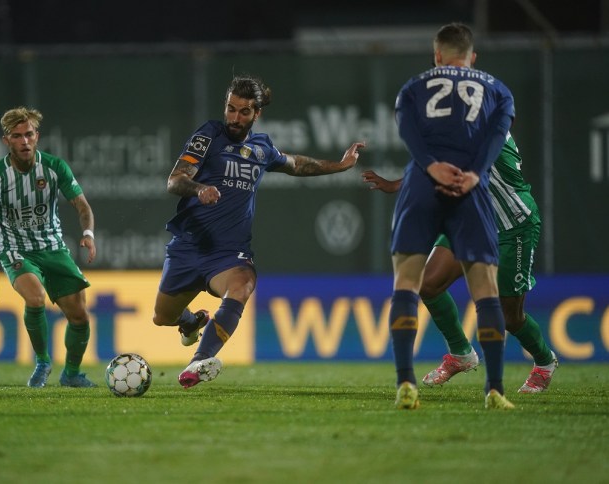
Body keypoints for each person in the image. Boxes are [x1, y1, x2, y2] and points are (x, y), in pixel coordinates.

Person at [152, 75, 365, 389]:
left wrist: (341, 165)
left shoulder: (262, 148)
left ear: (257, 113)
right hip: (189, 246)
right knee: (163, 317)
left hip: (228, 253)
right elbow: (175, 180)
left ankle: (199, 361)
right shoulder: (209, 135)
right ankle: (190, 322)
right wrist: (198, 189)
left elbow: (296, 164)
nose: (235, 118)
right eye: (231, 109)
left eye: (244, 112)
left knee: (243, 284)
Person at [363, 131, 558, 394]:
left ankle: (544, 362)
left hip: (512, 227)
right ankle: (461, 353)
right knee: (427, 284)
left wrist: (400, 184)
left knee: (510, 318)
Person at [389, 22, 516, 410]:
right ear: (472, 57)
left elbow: (407, 129)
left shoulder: (413, 86)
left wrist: (430, 166)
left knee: (407, 282)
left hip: (422, 184)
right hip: (469, 187)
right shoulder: (498, 90)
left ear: (437, 55)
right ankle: (494, 390)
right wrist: (474, 173)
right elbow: (497, 136)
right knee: (486, 289)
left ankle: (405, 383)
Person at [0, 107, 98, 388]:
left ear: (37, 136)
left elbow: (83, 207)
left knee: (79, 316)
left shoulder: (54, 167)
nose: (24, 141)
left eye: (29, 134)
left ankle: (71, 374)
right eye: (17, 136)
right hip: (16, 250)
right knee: (36, 297)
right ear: (6, 140)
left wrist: (88, 234)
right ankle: (42, 362)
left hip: (54, 248)